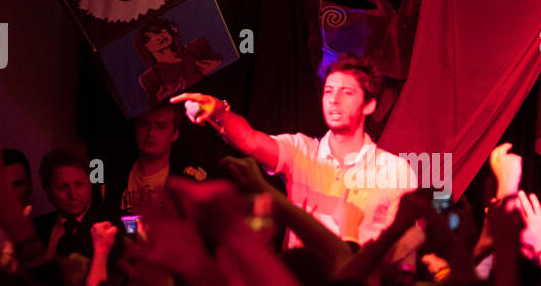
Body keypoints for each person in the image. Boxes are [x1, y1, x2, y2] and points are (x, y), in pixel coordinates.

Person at [174, 57, 417, 247]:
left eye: (347, 92)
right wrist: (220, 112)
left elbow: (405, 246)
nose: (334, 100)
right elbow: (250, 140)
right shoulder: (301, 151)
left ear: (369, 105)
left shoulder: (395, 171)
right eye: (329, 90)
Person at [32, 150, 118, 260]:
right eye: (62, 187)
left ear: (90, 185)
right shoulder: (37, 227)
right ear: (48, 191)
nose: (73, 195)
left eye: (79, 184)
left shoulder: (115, 225)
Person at [118, 107, 182, 215]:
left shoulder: (187, 180)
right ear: (135, 128)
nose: (151, 133)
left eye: (161, 126)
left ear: (175, 134)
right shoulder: (116, 177)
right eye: (144, 124)